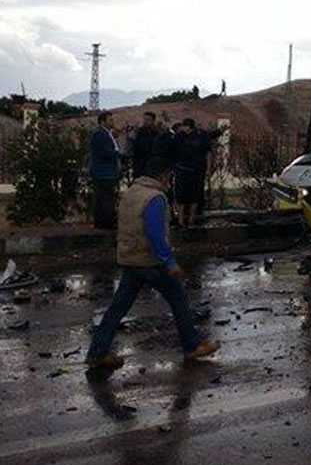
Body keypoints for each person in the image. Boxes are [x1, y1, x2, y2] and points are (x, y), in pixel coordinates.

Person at [86, 157, 221, 370]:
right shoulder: (155, 198)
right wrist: (169, 261)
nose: (169, 181)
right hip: (150, 261)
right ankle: (191, 345)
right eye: (169, 176)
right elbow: (155, 234)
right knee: (178, 298)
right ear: (162, 176)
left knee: (117, 308)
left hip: (130, 258)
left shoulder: (131, 192)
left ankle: (97, 352)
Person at [174, 118, 211, 228]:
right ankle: (181, 219)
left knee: (195, 195)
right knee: (181, 195)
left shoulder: (201, 136)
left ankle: (191, 219)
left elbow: (208, 152)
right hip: (182, 169)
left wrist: (208, 168)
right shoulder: (179, 137)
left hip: (197, 170)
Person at [89, 111, 121, 229]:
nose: (113, 122)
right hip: (103, 172)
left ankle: (103, 222)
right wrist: (118, 153)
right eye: (110, 120)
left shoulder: (107, 133)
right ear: (103, 122)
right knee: (105, 198)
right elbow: (104, 152)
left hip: (107, 171)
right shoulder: (100, 134)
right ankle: (106, 223)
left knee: (104, 197)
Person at [130, 112, 160, 181]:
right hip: (139, 167)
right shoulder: (139, 133)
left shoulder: (157, 134)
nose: (145, 122)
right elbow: (135, 149)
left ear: (153, 121)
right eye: (144, 119)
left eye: (148, 120)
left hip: (152, 167)